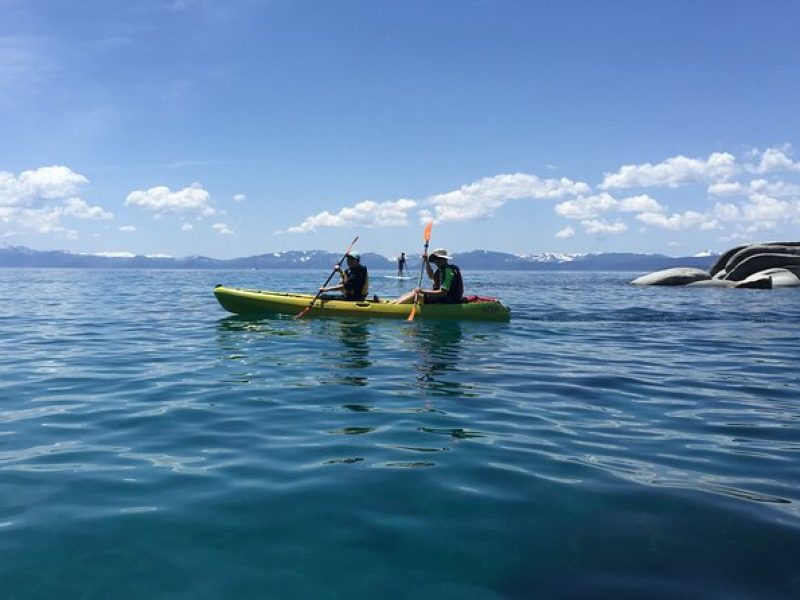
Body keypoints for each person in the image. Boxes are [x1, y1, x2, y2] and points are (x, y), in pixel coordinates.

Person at [394, 248, 463, 305]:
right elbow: (431, 276)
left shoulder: (447, 271)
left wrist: (422, 291)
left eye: (438, 258)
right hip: (445, 298)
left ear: (444, 259)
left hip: (448, 300)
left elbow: (443, 292)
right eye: (435, 259)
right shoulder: (441, 270)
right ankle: (394, 304)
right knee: (413, 292)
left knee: (416, 295)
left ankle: (395, 308)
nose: (436, 261)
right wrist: (427, 261)